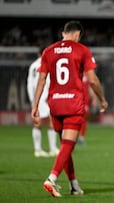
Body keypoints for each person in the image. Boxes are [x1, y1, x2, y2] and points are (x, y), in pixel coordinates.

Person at [31, 21, 108, 197]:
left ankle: (74, 186)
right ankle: (51, 179)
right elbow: (93, 80)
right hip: (73, 103)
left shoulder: (48, 51)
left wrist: (35, 105)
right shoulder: (82, 50)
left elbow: (41, 80)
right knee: (67, 146)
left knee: (66, 147)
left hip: (55, 105)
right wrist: (102, 99)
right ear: (78, 34)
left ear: (63, 33)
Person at [27, 46, 59, 157]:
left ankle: (38, 149)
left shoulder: (32, 66)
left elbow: (29, 84)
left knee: (38, 122)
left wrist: (32, 99)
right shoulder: (47, 64)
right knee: (51, 122)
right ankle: (52, 148)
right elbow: (48, 82)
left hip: (37, 98)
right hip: (45, 97)